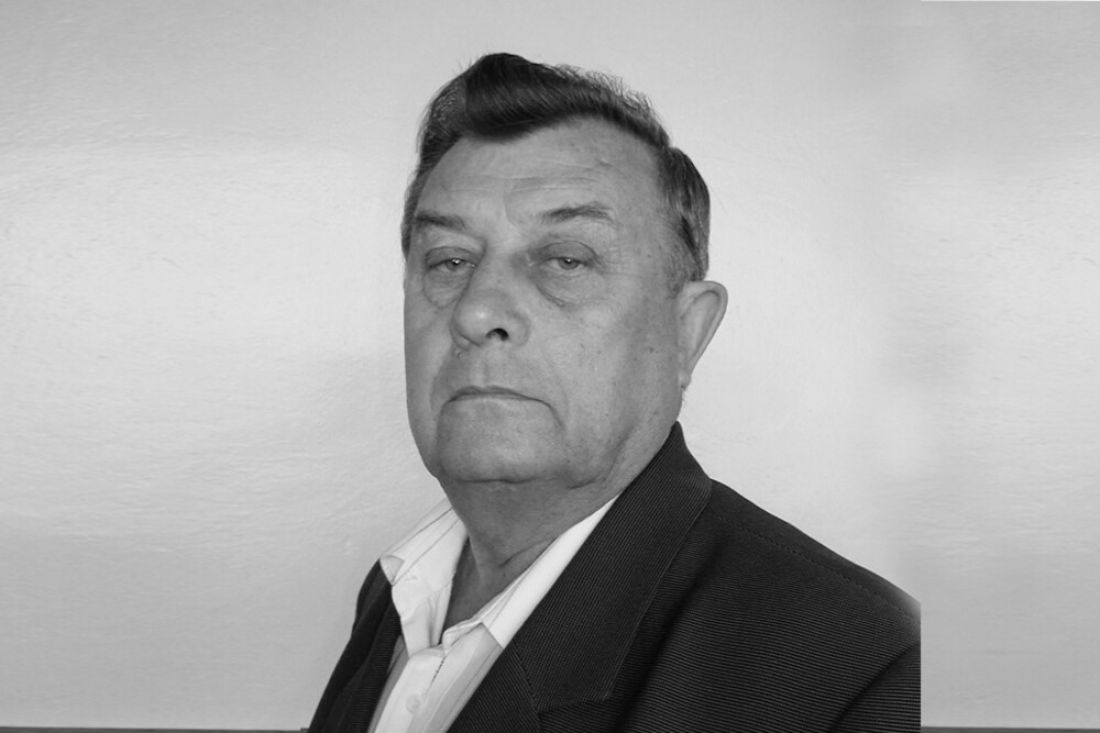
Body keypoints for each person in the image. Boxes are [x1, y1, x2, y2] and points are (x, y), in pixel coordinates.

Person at [309, 52, 919, 733]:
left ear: (687, 332)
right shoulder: (397, 591)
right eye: (449, 260)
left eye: (567, 260)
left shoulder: (864, 675)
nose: (477, 311)